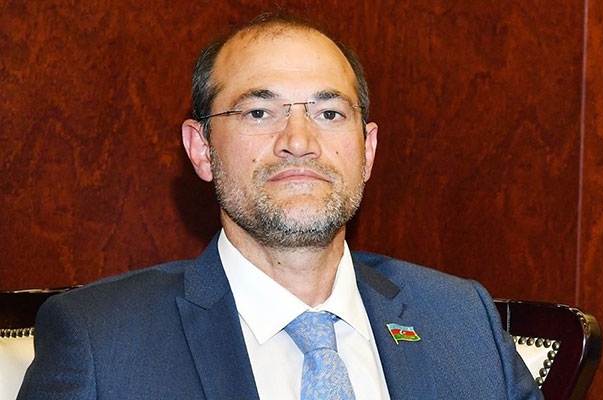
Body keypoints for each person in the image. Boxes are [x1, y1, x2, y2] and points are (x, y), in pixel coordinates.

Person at [18, 13, 543, 400]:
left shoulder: (462, 321)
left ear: (367, 151)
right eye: (259, 112)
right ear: (201, 149)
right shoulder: (100, 341)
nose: (299, 141)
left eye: (329, 113)